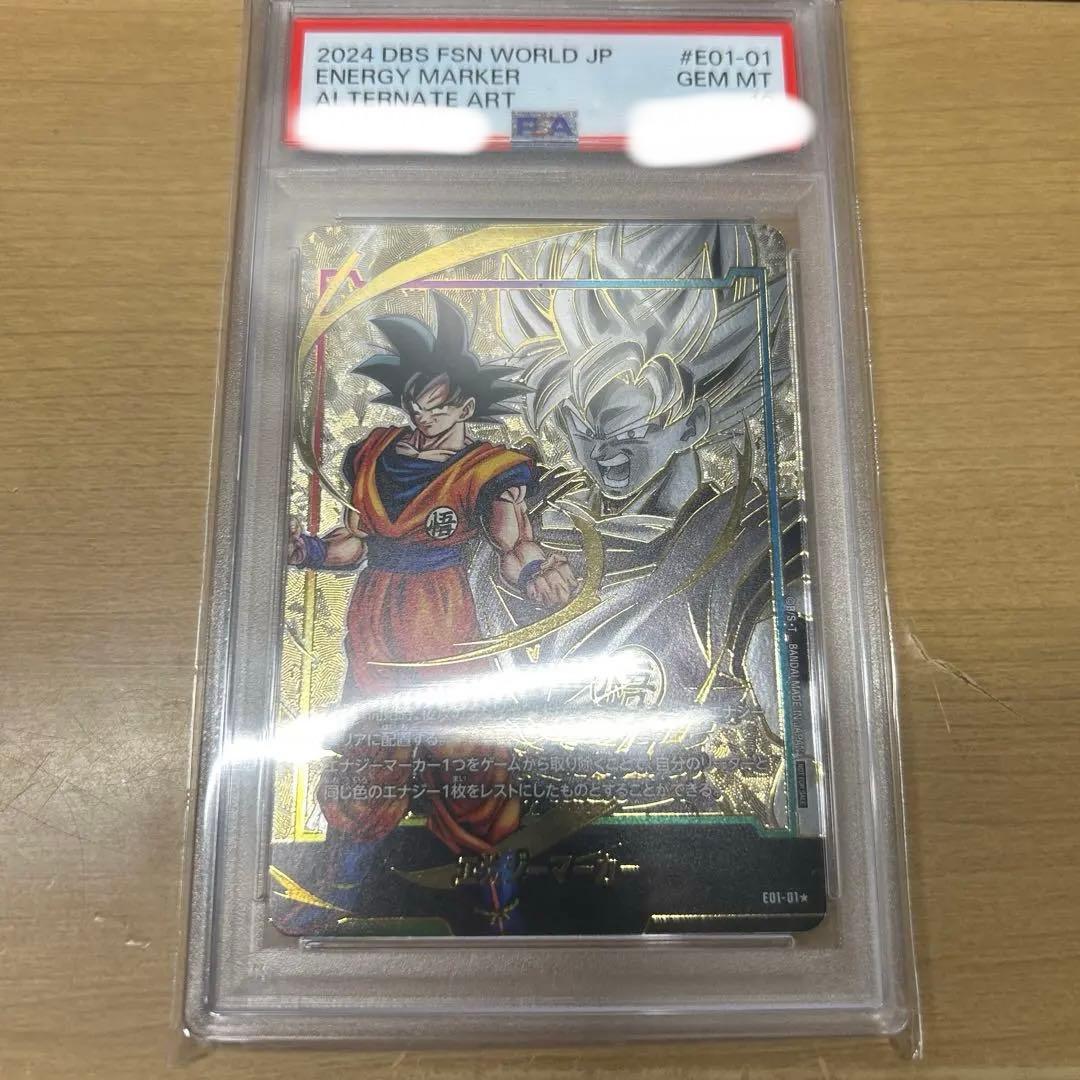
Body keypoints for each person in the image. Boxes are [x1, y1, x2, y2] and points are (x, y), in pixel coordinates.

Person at [283, 293, 576, 929]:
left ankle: (501, 903)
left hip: (443, 621)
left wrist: (538, 572)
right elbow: (358, 540)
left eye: (438, 405)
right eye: (417, 402)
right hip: (375, 621)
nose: (423, 415)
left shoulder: (489, 469)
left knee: (469, 758)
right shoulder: (373, 452)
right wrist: (309, 550)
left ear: (467, 406)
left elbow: (513, 542)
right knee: (367, 753)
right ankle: (341, 887)